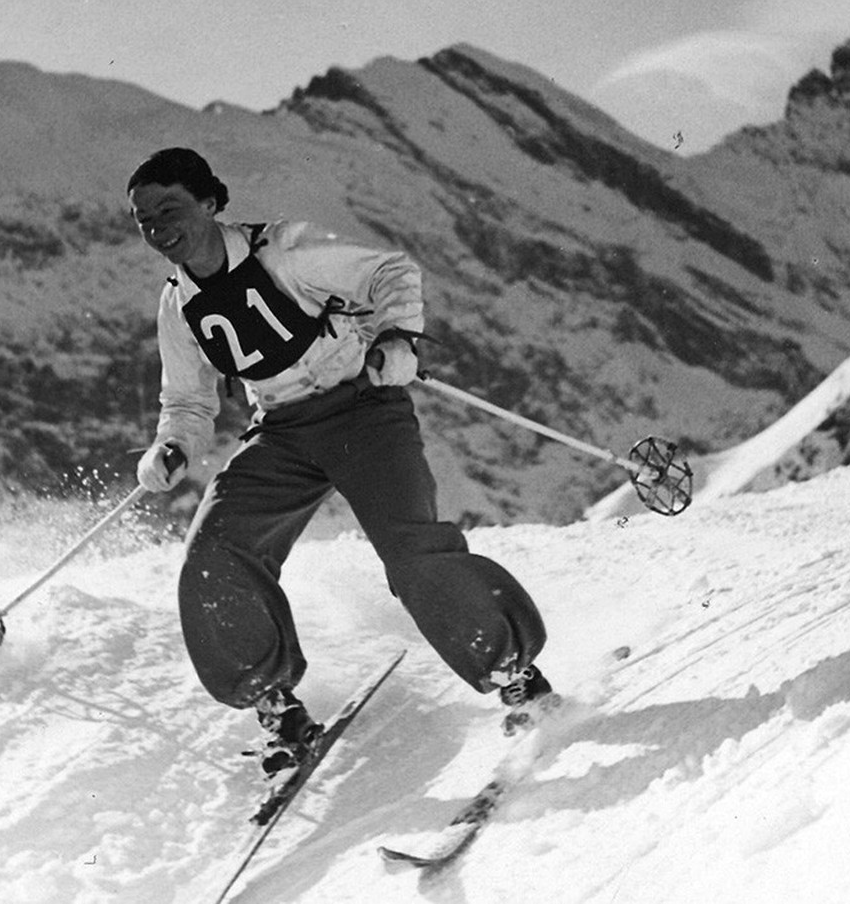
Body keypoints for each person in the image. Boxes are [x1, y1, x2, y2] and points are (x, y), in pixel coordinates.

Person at [125, 147, 551, 778]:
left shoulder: (285, 251)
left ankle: (512, 672)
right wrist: (174, 446)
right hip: (282, 432)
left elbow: (390, 273)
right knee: (214, 553)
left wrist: (397, 338)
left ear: (211, 202)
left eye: (170, 209)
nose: (158, 228)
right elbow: (188, 400)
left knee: (410, 553)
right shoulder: (178, 304)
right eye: (144, 220)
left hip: (362, 411)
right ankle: (276, 707)